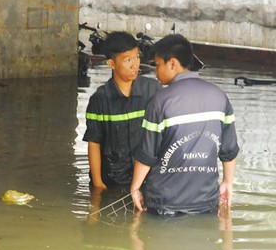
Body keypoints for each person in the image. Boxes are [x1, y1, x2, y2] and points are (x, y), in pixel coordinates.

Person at [130, 34, 239, 215]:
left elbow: (147, 154)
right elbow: (229, 150)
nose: (155, 72)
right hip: (206, 201)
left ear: (172, 63)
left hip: (165, 204)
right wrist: (228, 183)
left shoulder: (160, 101)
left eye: (157, 65)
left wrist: (135, 187)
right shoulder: (220, 96)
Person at [83, 31, 162, 189]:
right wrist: (98, 184)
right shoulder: (100, 99)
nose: (135, 65)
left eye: (137, 57)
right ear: (111, 64)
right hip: (112, 181)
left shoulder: (153, 90)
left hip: (148, 178)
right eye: (128, 60)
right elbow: (94, 144)